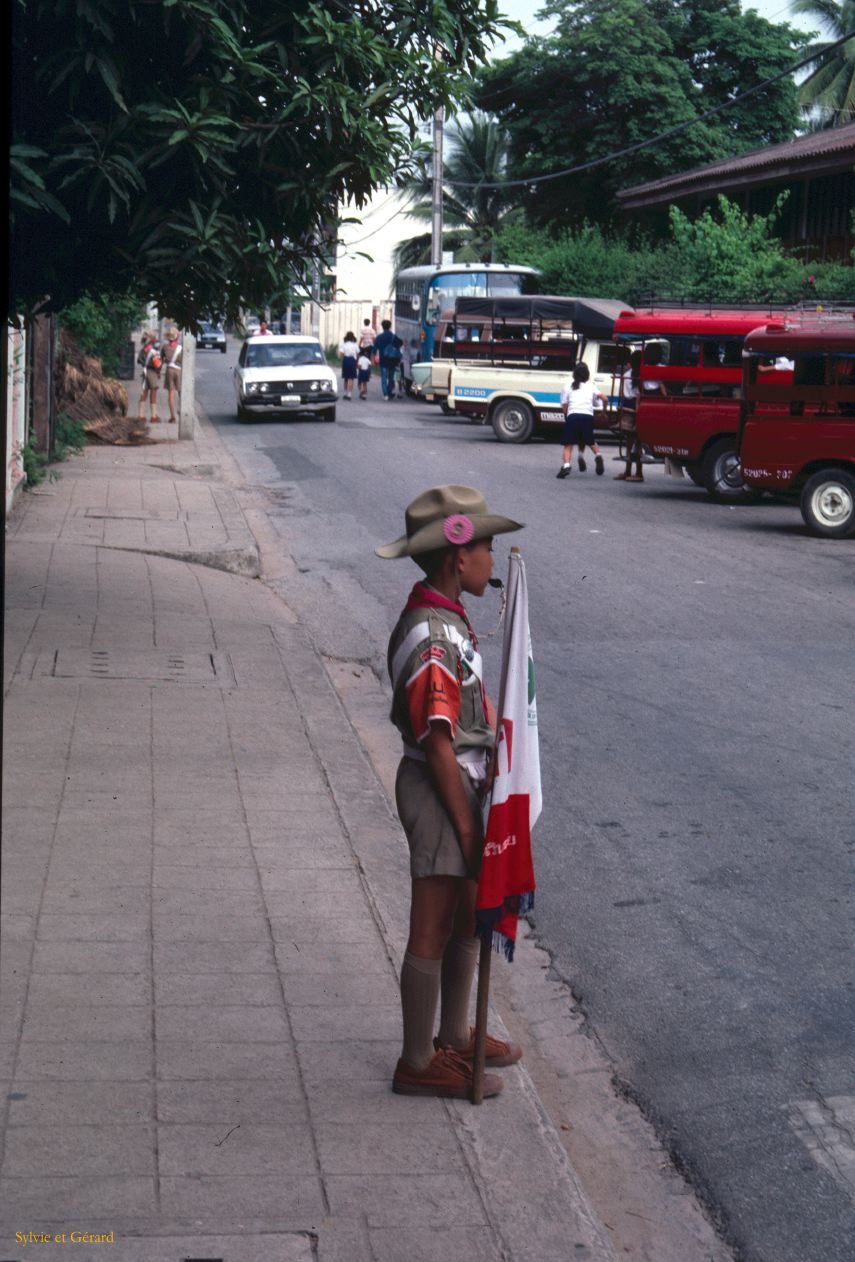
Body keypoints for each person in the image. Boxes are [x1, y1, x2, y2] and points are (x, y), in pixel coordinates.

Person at [376, 484, 525, 1099]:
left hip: (460, 784)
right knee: (433, 922)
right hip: (441, 791)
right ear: (457, 557)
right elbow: (438, 741)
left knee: (468, 908)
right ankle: (418, 1060)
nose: (494, 558)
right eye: (488, 547)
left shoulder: (449, 615)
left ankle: (456, 1034)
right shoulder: (432, 634)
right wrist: (466, 826)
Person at [556, 362, 607, 479]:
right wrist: (604, 412)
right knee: (590, 440)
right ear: (587, 374)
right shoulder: (591, 386)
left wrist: (568, 416)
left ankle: (566, 465)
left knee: (568, 444)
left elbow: (564, 406)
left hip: (573, 415)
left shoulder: (568, 386)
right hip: (587, 416)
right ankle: (598, 455)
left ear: (574, 374)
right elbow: (604, 398)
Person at [136, 330, 162, 424]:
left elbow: (138, 361)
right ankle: (153, 416)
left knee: (144, 392)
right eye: (154, 337)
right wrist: (159, 371)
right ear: (151, 339)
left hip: (145, 372)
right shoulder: (153, 352)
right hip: (152, 372)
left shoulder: (143, 350)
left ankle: (141, 415)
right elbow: (158, 365)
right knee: (153, 393)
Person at [375, 319, 403, 401]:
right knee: (391, 377)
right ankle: (389, 391)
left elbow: (374, 349)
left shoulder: (379, 337)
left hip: (383, 360)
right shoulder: (393, 336)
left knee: (384, 378)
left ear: (382, 327)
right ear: (390, 327)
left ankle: (386, 394)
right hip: (392, 360)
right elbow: (399, 344)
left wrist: (373, 358)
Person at [161, 326, 182, 423]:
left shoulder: (165, 347)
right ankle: (182, 411)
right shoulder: (181, 348)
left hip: (169, 370)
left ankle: (172, 416)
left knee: (171, 394)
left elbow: (161, 360)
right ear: (177, 337)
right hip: (179, 371)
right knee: (181, 393)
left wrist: (158, 372)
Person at [339, 330, 358, 400]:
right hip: (352, 360)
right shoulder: (355, 345)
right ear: (353, 337)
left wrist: (342, 360)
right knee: (351, 378)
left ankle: (345, 393)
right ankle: (349, 394)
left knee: (346, 377)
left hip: (346, 360)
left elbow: (341, 354)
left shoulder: (344, 344)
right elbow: (358, 353)